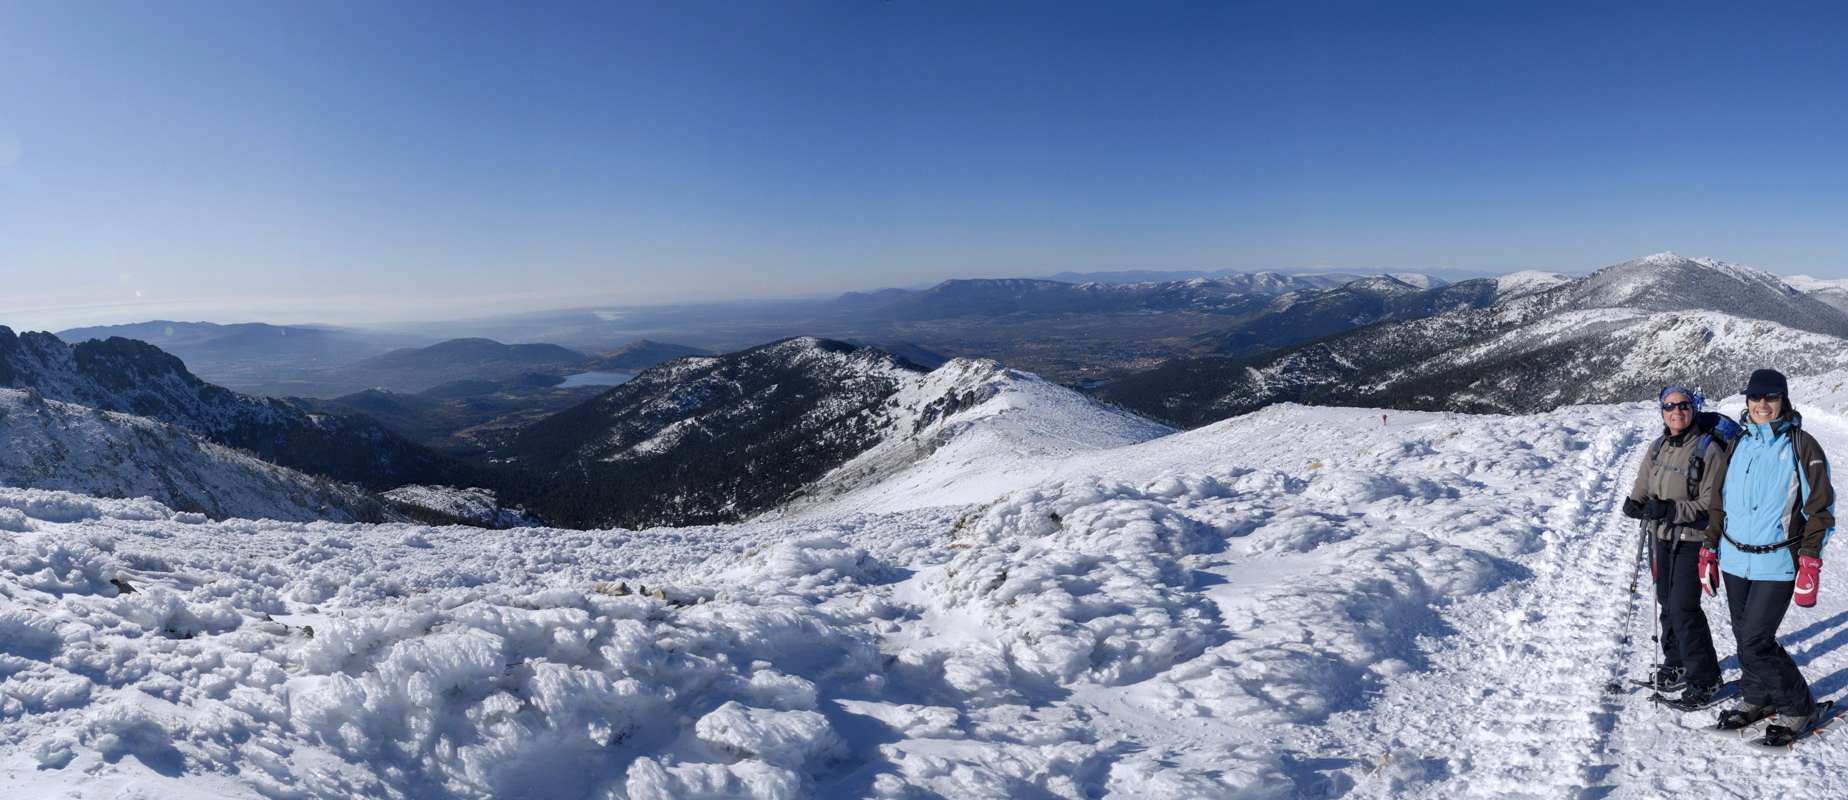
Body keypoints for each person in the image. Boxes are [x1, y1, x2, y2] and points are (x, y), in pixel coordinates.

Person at [1707, 369, 1837, 744]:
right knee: (1741, 633)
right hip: (1734, 559)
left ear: (1783, 400)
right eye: (1755, 397)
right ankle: (1757, 698)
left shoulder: (1801, 444)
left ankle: (1799, 706)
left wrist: (1810, 559)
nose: (1762, 404)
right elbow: (1719, 503)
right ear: (1746, 401)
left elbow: (1821, 508)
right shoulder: (1738, 443)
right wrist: (1709, 549)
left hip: (1777, 562)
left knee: (1756, 640)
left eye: (1771, 397)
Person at [1622, 385, 1726, 706]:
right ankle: (1677, 660)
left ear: (1693, 409)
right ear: (1662, 411)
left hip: (1692, 539)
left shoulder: (1708, 449)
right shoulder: (1658, 447)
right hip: (1661, 536)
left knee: (1684, 607)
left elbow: (1712, 503)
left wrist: (1669, 510)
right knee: (1667, 602)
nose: (1676, 411)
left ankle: (1706, 679)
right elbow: (1643, 483)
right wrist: (1634, 503)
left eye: (1683, 405)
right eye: (1669, 406)